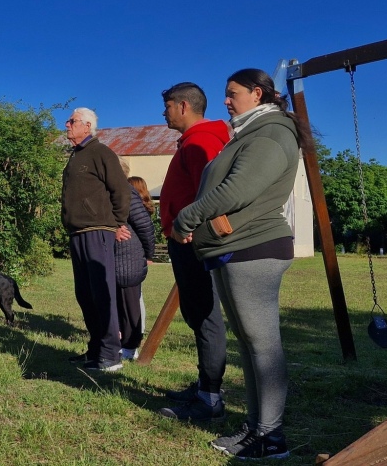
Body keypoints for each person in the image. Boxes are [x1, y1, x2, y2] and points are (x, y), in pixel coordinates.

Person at [171, 69, 301, 459]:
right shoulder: (249, 133)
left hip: (256, 246)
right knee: (249, 344)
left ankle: (271, 436)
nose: (225, 101)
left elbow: (238, 188)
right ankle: (257, 428)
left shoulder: (273, 132)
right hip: (237, 247)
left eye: (232, 94)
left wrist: (188, 217)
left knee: (263, 345)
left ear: (257, 93)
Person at [156, 82, 231, 423]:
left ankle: (210, 399)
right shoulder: (191, 141)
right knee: (196, 312)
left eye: (168, 106)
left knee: (205, 316)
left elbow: (215, 195)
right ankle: (204, 385)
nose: (164, 112)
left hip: (194, 244)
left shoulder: (202, 141)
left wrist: (192, 229)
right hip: (186, 241)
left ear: (184, 106)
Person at [60, 107, 131, 372]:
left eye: (72, 121)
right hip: (77, 232)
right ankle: (96, 350)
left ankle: (111, 354)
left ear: (87, 126)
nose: (67, 125)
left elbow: (121, 190)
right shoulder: (76, 155)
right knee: (85, 295)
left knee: (101, 293)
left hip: (97, 231)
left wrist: (116, 223)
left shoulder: (101, 152)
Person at [115, 175, 155, 360]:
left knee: (132, 301)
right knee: (131, 301)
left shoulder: (126, 194)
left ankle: (131, 344)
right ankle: (125, 339)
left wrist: (148, 253)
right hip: (126, 259)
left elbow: (145, 227)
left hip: (128, 259)